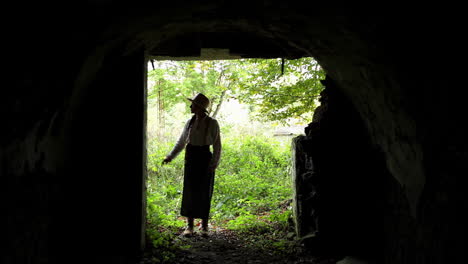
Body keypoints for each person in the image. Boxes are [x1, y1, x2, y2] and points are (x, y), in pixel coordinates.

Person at [162, 93, 222, 237]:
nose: (190, 106)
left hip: (205, 158)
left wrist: (214, 163)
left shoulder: (212, 123)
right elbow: (181, 142)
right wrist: (170, 156)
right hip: (191, 157)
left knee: (205, 191)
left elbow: (217, 145)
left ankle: (205, 227)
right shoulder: (189, 122)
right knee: (190, 190)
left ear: (200, 107)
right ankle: (189, 226)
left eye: (193, 104)